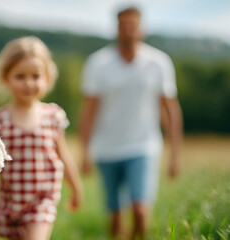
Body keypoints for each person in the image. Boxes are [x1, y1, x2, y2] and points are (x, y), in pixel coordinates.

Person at [78, 6, 183, 240]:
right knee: (115, 219)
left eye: (132, 26)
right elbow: (89, 111)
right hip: (106, 149)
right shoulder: (98, 63)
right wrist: (84, 152)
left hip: (143, 146)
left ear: (141, 29)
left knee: (140, 210)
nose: (128, 31)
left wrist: (175, 154)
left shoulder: (158, 62)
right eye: (123, 26)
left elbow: (171, 111)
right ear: (116, 28)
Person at [0, 36, 83, 240]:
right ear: (6, 78)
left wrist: (76, 188)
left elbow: (64, 156)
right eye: (20, 76)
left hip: (43, 200)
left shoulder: (53, 116)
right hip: (10, 203)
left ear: (47, 78)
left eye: (35, 76)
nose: (29, 83)